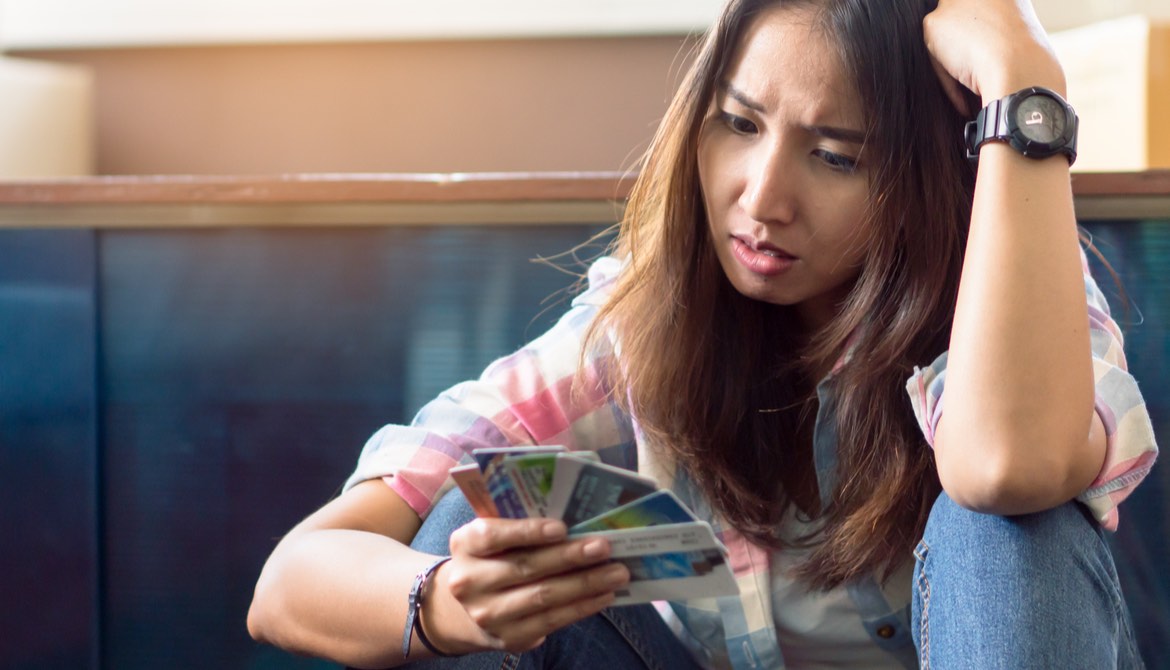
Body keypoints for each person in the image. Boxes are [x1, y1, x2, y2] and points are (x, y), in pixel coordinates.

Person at [247, 0, 1158, 667]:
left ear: (924, 176)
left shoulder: (1020, 303)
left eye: (836, 155)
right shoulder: (637, 329)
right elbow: (291, 580)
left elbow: (1007, 466)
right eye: (738, 123)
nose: (761, 199)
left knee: (1004, 523)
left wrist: (1025, 84)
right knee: (466, 526)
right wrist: (449, 603)